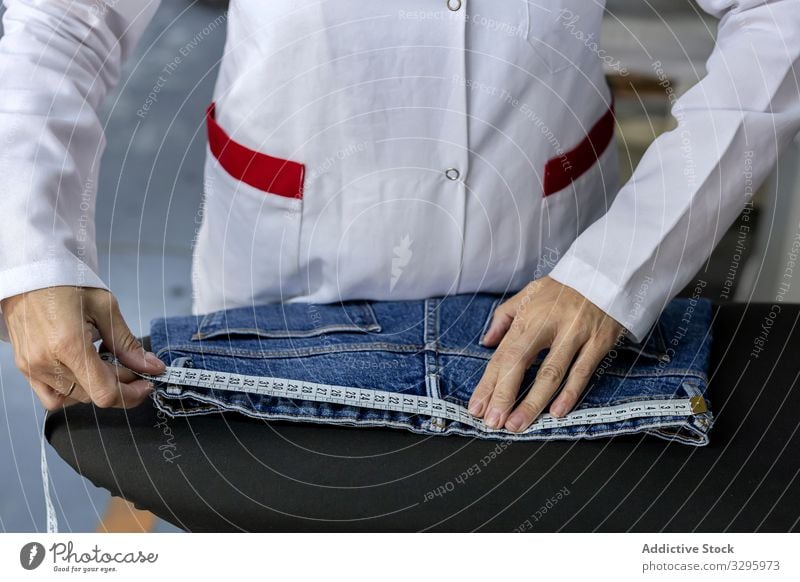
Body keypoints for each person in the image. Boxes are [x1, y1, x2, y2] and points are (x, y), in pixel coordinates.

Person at [1, 0, 799, 436]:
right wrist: (34, 255)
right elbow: (66, 18)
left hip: (551, 261)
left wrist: (621, 266)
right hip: (281, 271)